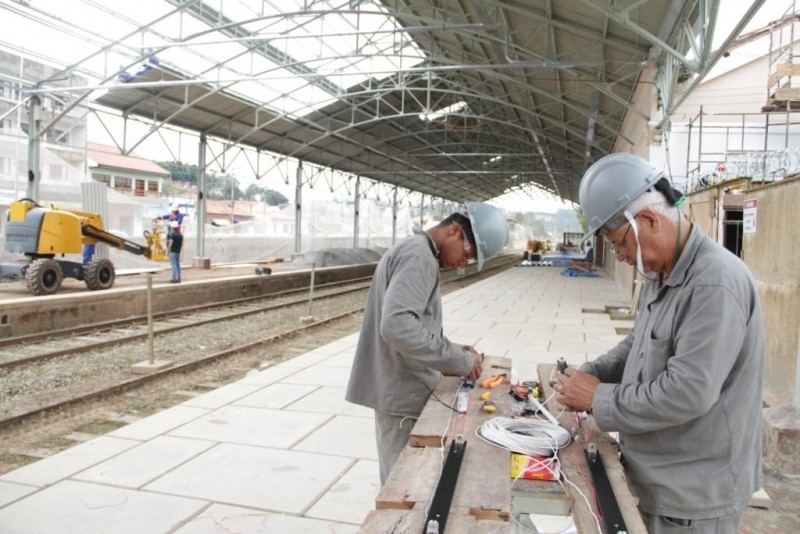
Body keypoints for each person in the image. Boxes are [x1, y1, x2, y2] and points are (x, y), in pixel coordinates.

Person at [554, 153, 764, 533]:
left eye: (620, 244)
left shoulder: (713, 284)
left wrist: (597, 398)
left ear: (648, 220)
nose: (619, 256)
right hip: (660, 475)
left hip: (693, 495)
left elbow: (688, 393)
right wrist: (592, 374)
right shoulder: (663, 270)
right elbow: (639, 342)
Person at [346, 202, 509, 485]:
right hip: (402, 398)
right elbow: (398, 326)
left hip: (399, 390)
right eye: (468, 255)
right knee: (404, 490)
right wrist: (459, 362)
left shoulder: (417, 251)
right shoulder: (419, 257)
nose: (463, 264)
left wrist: (455, 351)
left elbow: (416, 325)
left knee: (407, 486)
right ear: (455, 230)